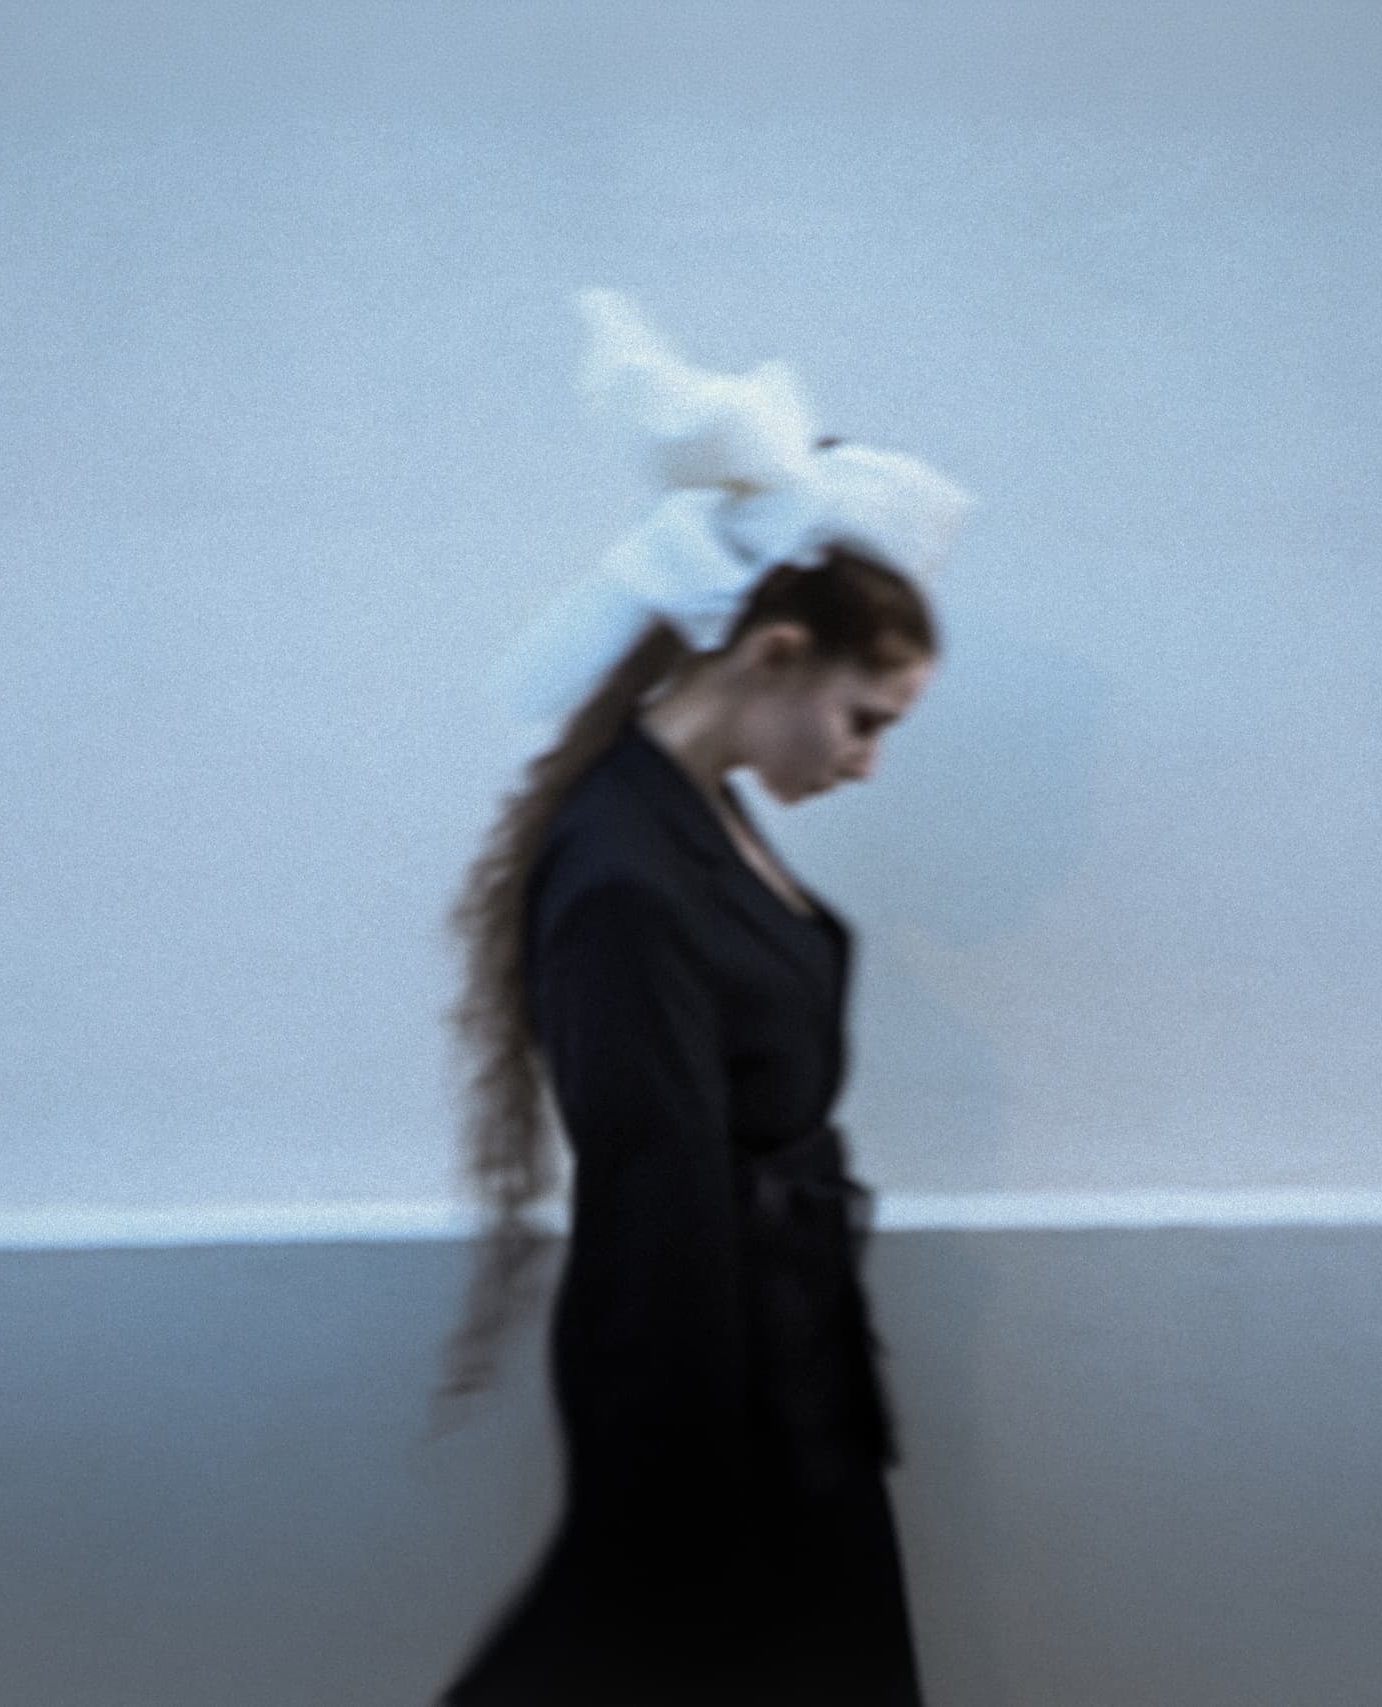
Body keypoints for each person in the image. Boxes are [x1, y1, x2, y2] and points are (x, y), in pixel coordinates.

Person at [431, 294, 972, 1706]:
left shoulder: (697, 816)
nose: (865, 765)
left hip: (787, 1382)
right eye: (867, 720)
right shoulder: (625, 871)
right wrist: (697, 1507)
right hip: (712, 1418)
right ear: (774, 655)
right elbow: (654, 1206)